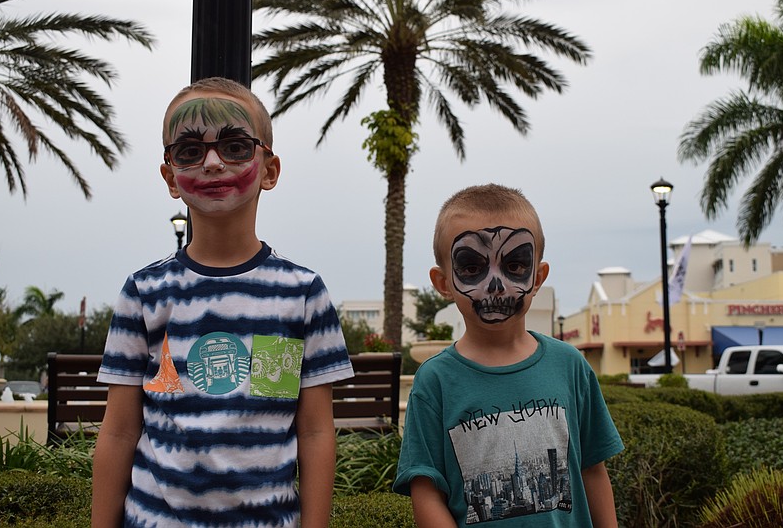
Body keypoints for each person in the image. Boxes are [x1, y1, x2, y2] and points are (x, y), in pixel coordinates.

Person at [91, 77, 354, 528]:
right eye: (190, 151)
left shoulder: (301, 294)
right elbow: (118, 431)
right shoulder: (144, 292)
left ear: (269, 170)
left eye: (235, 146)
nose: (212, 163)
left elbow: (313, 431)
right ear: (170, 175)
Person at [393, 183, 623, 527]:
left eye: (515, 265)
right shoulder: (435, 381)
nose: (496, 284)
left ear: (538, 276)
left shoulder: (570, 366)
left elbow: (593, 471)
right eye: (472, 268)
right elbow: (426, 491)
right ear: (443, 283)